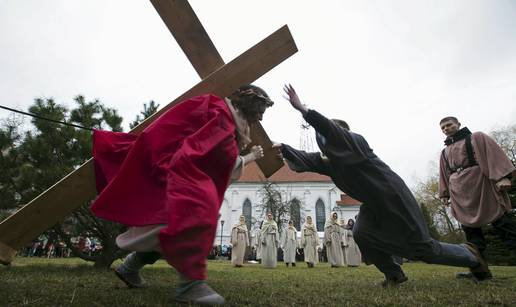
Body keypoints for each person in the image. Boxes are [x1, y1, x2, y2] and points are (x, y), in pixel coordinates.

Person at [275, 84, 490, 286]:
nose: (326, 141)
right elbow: (305, 157)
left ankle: (472, 256)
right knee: (362, 233)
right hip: (373, 204)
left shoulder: (357, 143)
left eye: (330, 135)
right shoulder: (331, 163)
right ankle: (394, 274)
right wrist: (282, 148)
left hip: (393, 197)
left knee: (424, 249)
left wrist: (304, 110)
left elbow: (333, 131)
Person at [91, 84, 273, 305]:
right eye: (260, 110)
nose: (261, 117)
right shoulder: (220, 118)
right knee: (191, 220)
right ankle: (191, 285)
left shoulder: (225, 118)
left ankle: (130, 267)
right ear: (248, 103)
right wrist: (249, 158)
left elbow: (213, 160)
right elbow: (202, 157)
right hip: (178, 182)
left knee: (167, 232)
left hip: (175, 179)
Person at [438, 116, 516, 279]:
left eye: (449, 125)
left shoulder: (477, 137)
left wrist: (503, 177)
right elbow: (444, 174)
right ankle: (480, 272)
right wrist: (444, 194)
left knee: (504, 226)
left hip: (481, 187)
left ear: (458, 124)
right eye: (443, 127)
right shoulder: (444, 152)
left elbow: (494, 154)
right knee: (472, 236)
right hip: (460, 193)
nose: (446, 129)